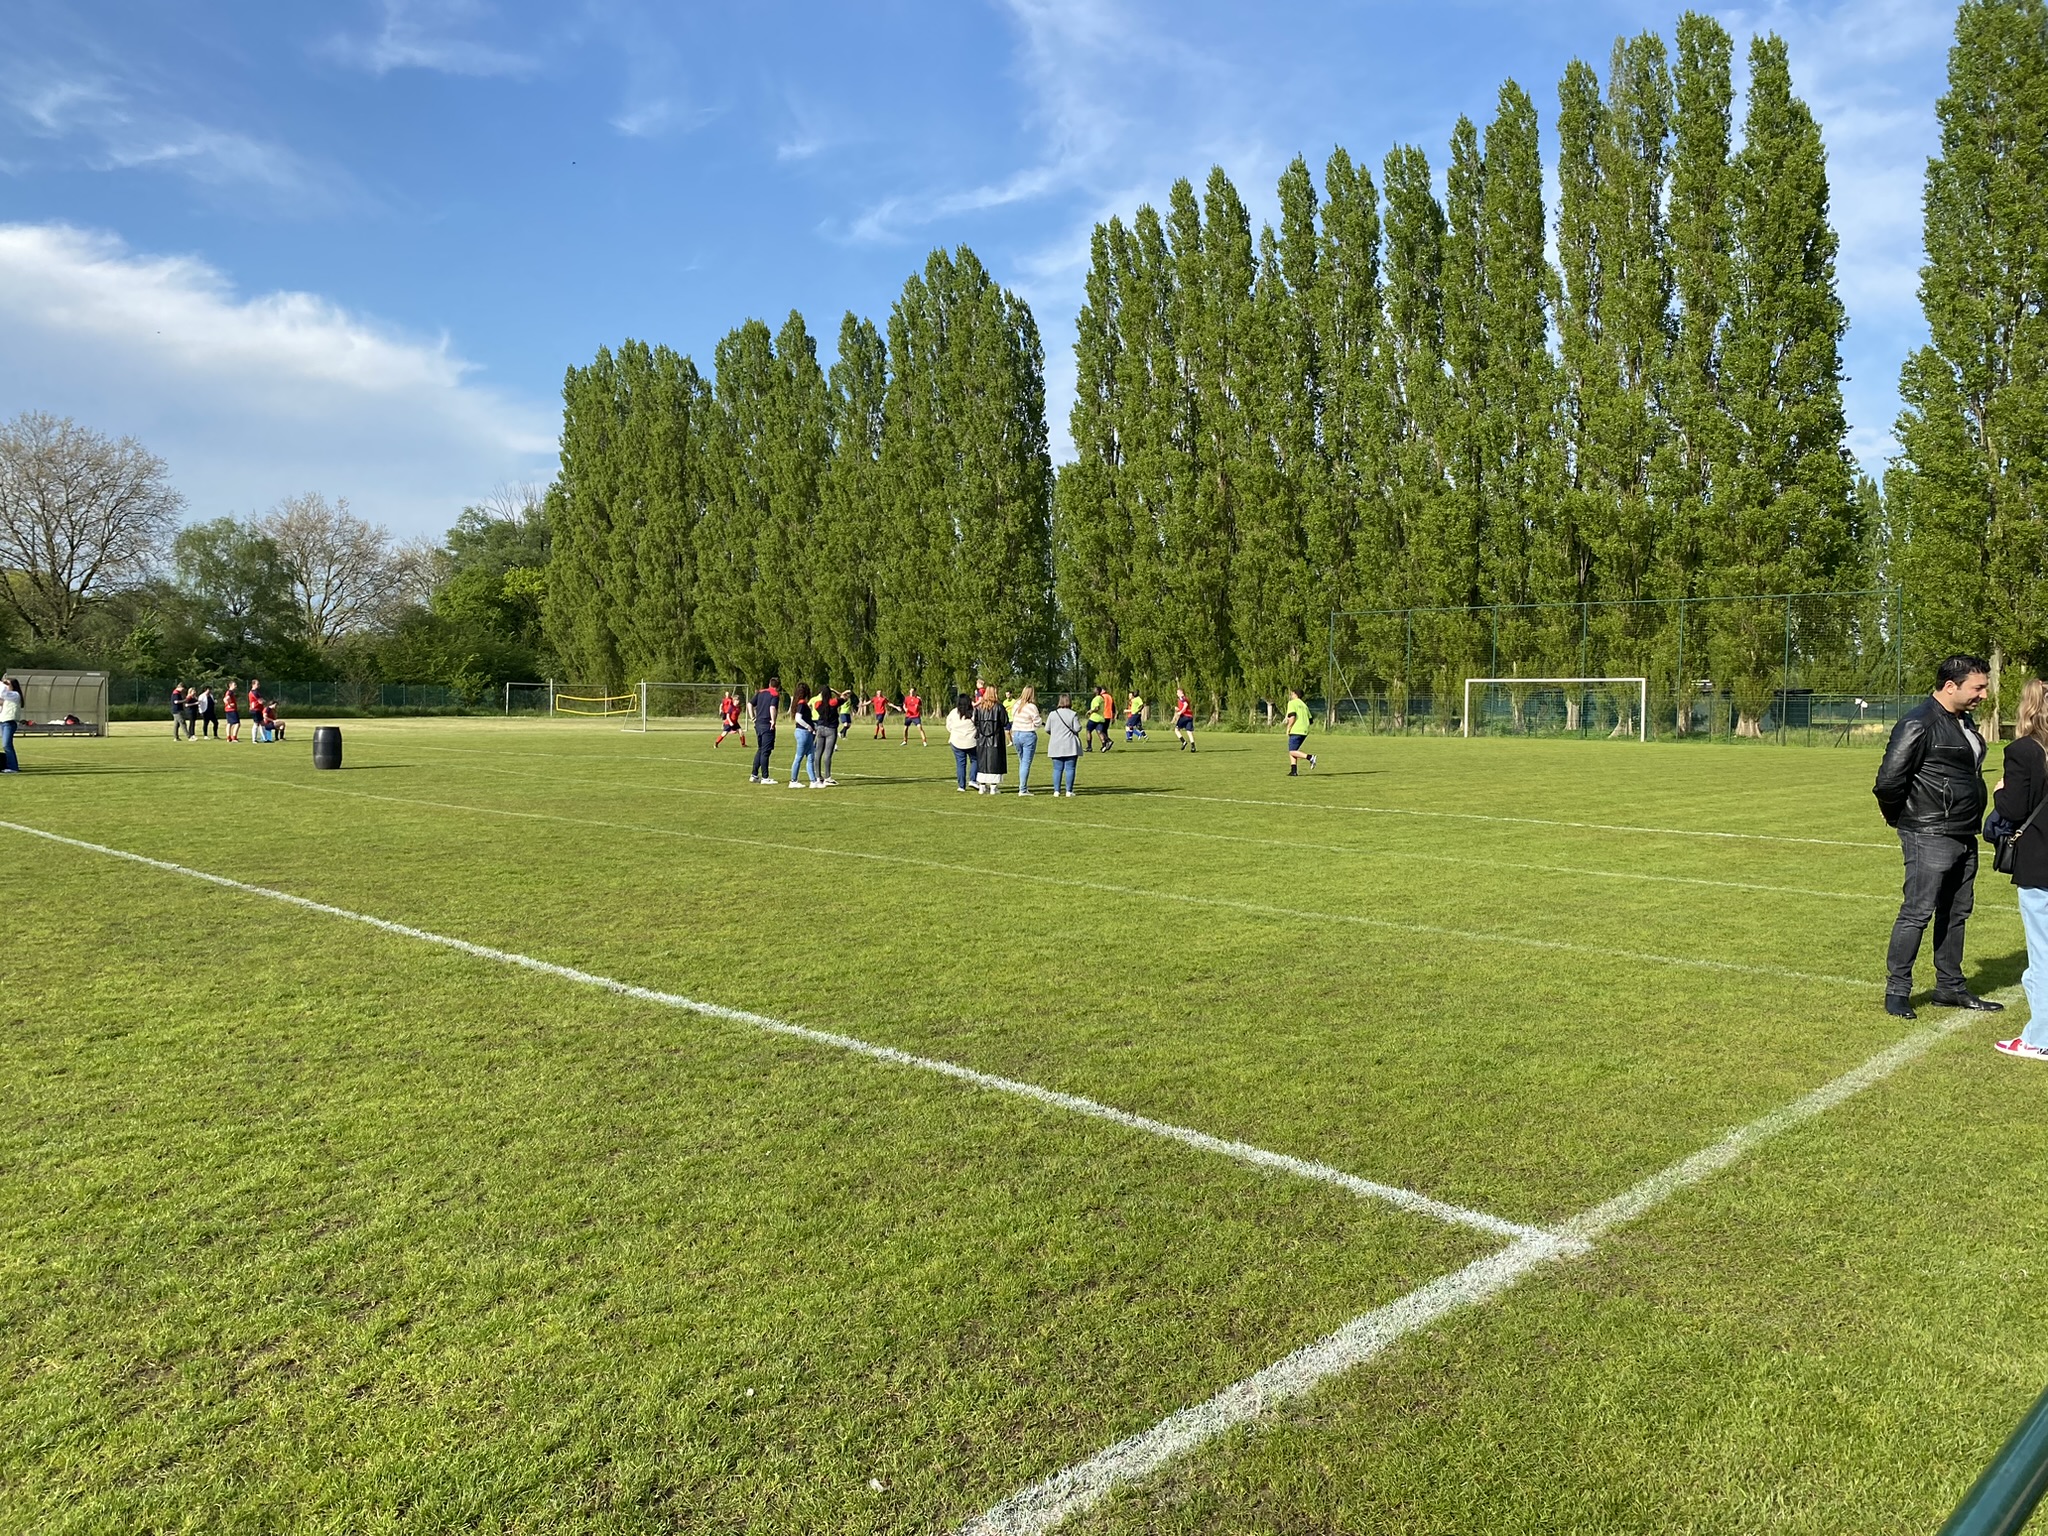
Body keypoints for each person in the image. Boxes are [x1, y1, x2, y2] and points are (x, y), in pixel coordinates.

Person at [1874, 654, 2001, 1019]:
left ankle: (1950, 987)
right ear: (1950, 686)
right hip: (1929, 832)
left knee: (1957, 912)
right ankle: (1897, 991)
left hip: (1964, 830)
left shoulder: (1964, 721)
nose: (1983, 695)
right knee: (1917, 912)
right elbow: (1889, 781)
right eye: (1978, 688)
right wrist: (1902, 819)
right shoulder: (1919, 723)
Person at [1994, 679, 2048, 1058]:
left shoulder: (2024, 750)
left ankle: (2040, 1038)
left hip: (2039, 862)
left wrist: (2000, 790)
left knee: (2041, 954)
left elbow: (2012, 808)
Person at [974, 686, 1010, 793]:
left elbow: (976, 722)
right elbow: (1005, 721)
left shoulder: (979, 707)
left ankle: (982, 786)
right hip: (996, 739)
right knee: (995, 762)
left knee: (982, 762)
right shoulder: (999, 707)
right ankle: (993, 787)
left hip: (982, 739)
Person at [1047, 692, 1082, 797]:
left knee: (1057, 769)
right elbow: (1077, 728)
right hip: (1070, 744)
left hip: (1056, 745)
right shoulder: (1073, 714)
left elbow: (1047, 729)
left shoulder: (1052, 714)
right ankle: (1069, 791)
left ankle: (1056, 791)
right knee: (1070, 768)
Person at [1011, 685, 1043, 795]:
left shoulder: (1016, 704)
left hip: (1016, 734)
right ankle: (1023, 788)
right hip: (1027, 734)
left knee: (1022, 761)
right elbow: (1037, 722)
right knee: (1025, 762)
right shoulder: (1031, 707)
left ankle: (1023, 786)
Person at [749, 677, 781, 784]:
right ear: (778, 686)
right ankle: (765, 777)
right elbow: (772, 707)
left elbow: (749, 704)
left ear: (769, 684)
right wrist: (773, 721)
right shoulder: (775, 694)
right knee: (766, 751)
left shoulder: (760, 692)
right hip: (767, 724)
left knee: (761, 749)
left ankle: (754, 775)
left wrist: (752, 717)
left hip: (758, 724)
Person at [789, 684, 820, 788]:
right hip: (803, 732)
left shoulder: (800, 703)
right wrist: (808, 726)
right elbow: (798, 718)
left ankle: (813, 781)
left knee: (811, 757)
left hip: (806, 733)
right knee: (799, 757)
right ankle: (793, 780)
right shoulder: (802, 703)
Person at [946, 692, 978, 790]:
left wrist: (954, 732)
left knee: (960, 764)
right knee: (975, 760)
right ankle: (973, 779)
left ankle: (961, 786)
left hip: (956, 741)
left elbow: (948, 726)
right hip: (972, 741)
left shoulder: (953, 712)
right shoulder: (974, 712)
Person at [1284, 688, 1317, 776]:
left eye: (1292, 694)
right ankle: (1293, 771)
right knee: (1293, 750)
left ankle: (1310, 757)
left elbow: (1292, 716)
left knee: (1292, 751)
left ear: (1295, 694)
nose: (1291, 695)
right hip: (1304, 730)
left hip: (1296, 729)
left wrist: (1288, 727)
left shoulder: (1292, 703)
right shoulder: (1304, 705)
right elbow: (1310, 720)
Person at [814, 686, 842, 786]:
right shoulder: (833, 702)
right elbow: (843, 697)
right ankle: (827, 777)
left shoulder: (817, 704)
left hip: (820, 728)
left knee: (818, 753)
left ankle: (818, 776)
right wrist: (834, 691)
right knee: (828, 754)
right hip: (831, 729)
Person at [0, 676, 21, 773]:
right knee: (6, 745)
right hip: (3, 722)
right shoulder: (8, 696)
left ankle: (13, 767)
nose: (5, 685)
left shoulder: (15, 694)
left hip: (9, 722)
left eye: (7, 684)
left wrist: (2, 683)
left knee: (6, 745)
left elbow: (3, 693)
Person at [1173, 686, 1196, 752]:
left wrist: (1180, 712)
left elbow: (1185, 705)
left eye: (1178, 692)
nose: (1177, 694)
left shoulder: (1182, 698)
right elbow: (1185, 706)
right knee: (1189, 732)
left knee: (1176, 730)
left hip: (1184, 716)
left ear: (1181, 692)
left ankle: (1183, 742)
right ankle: (1193, 747)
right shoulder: (1185, 698)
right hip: (1190, 716)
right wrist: (1178, 709)